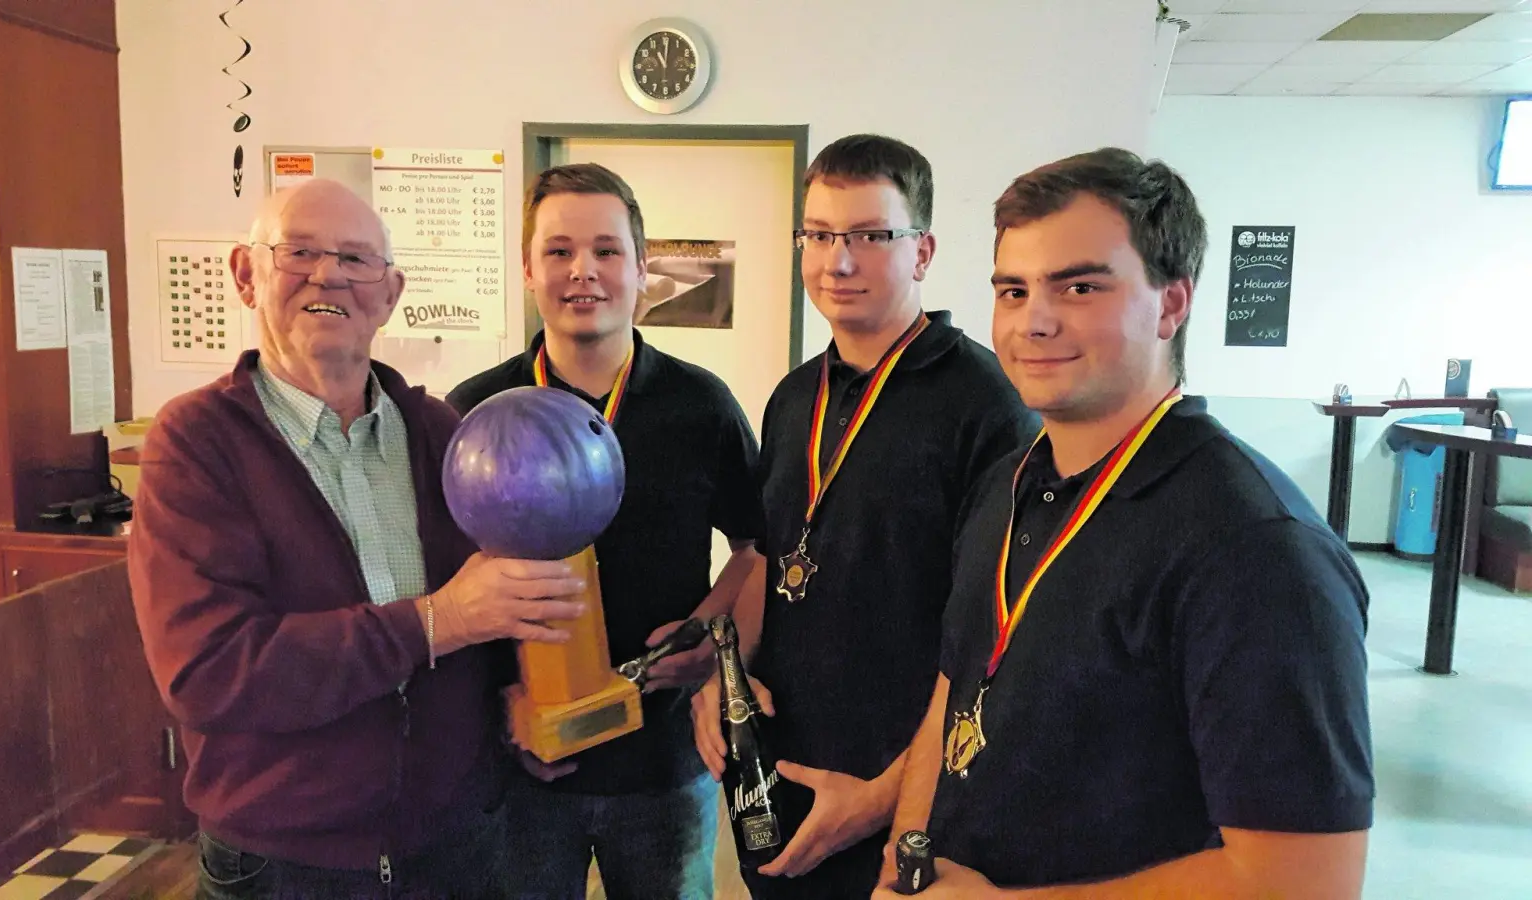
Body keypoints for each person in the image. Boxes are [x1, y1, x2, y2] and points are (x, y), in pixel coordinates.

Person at [874, 148, 1374, 899]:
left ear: (1172, 303)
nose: (1033, 321)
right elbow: (960, 684)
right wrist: (908, 857)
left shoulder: (1257, 551)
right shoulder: (1009, 484)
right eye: (1013, 290)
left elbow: (1305, 882)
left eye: (1079, 286)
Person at [128, 179, 588, 899]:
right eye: (300, 251)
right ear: (246, 275)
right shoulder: (195, 446)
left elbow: (493, 625)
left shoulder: (444, 436)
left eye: (356, 258)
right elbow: (209, 675)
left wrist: (518, 699)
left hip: (457, 847)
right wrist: (439, 621)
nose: (329, 274)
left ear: (391, 291)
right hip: (285, 865)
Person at [690, 133, 1037, 899]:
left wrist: (885, 800)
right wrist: (726, 672)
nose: (836, 261)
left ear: (923, 250)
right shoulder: (794, 396)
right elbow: (772, 556)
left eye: (869, 236)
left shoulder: (987, 406)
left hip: (904, 805)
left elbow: (997, 640)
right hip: (780, 779)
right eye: (818, 235)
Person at [445, 162, 765, 900]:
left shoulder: (700, 406)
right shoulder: (477, 414)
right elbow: (445, 588)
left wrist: (706, 641)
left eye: (607, 251)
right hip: (519, 770)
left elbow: (756, 549)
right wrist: (501, 705)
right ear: (528, 269)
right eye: (558, 251)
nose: (582, 271)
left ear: (643, 269)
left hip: (663, 767)